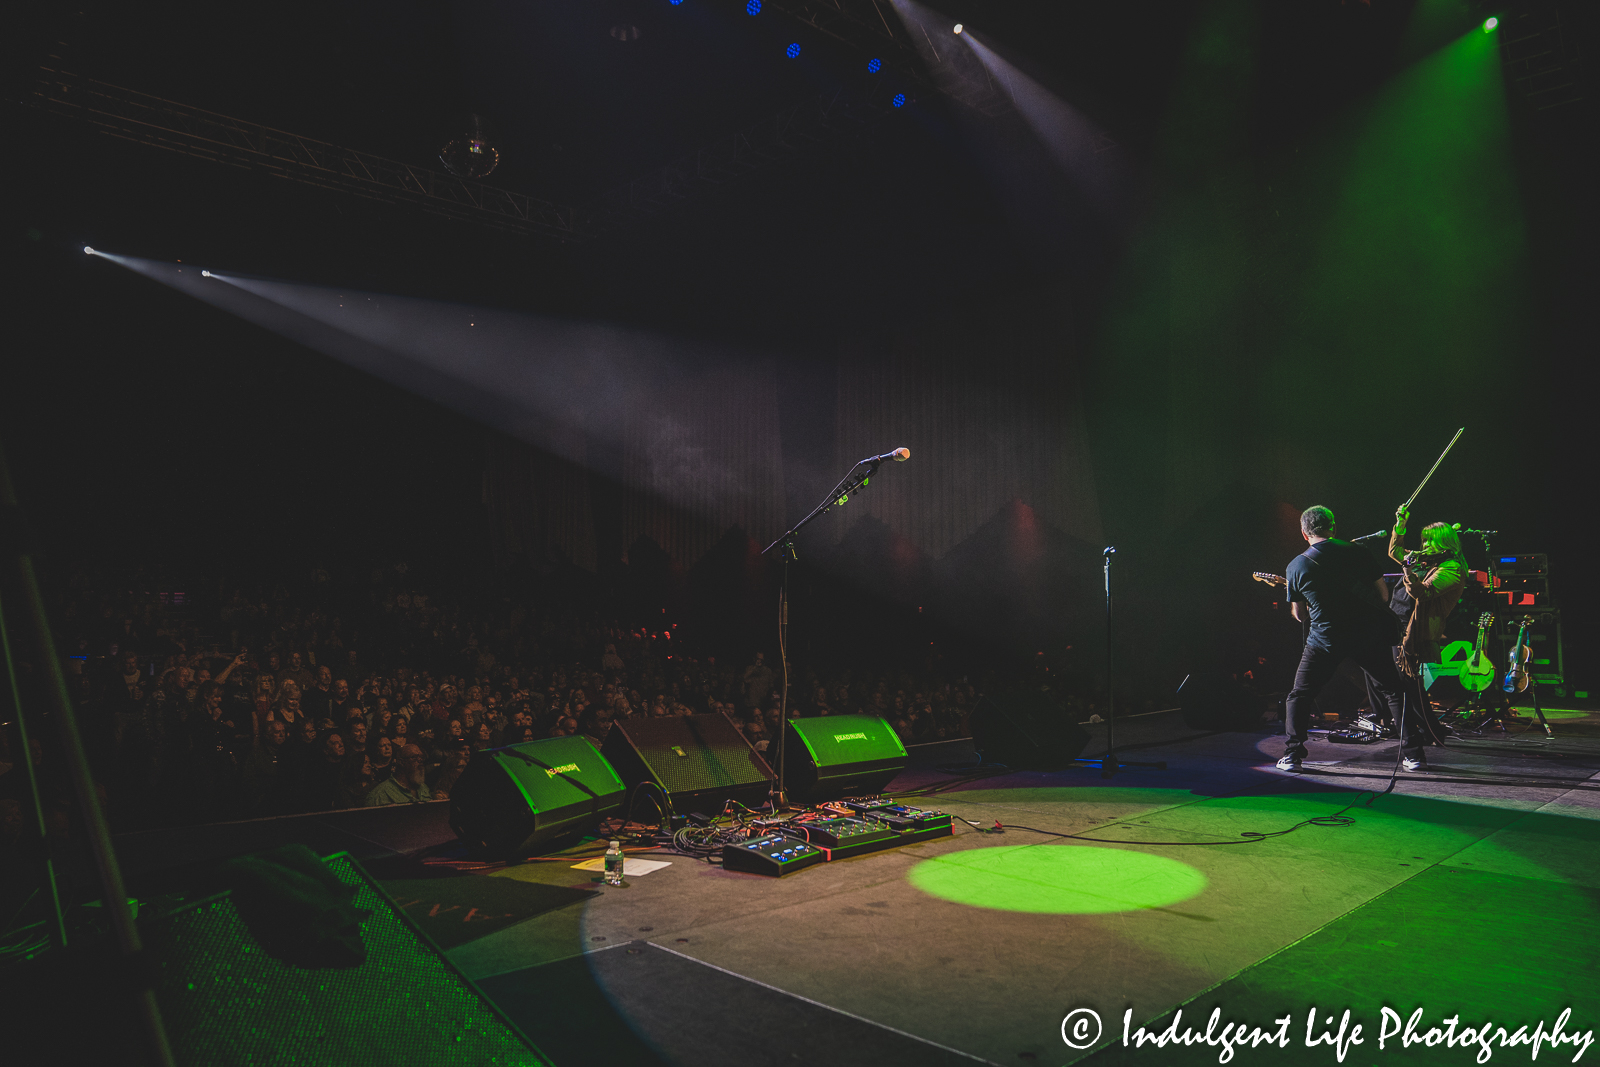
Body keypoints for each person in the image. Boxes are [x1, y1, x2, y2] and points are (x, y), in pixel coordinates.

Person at [1279, 505, 1428, 772]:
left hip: (1325, 639)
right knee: (1394, 691)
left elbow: (1301, 616)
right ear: (1333, 526)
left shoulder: (1297, 565)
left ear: (1304, 533)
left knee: (1300, 695)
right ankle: (1414, 755)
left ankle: (1293, 756)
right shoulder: (1359, 553)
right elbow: (1383, 597)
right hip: (1367, 636)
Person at [1388, 507, 1469, 676]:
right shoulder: (1425, 559)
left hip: (1413, 629)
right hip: (1396, 621)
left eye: (1430, 540)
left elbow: (1423, 594)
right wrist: (1400, 524)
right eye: (1424, 540)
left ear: (1444, 541)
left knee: (1408, 683)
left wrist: (1408, 572)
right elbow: (1395, 552)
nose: (1425, 545)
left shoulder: (1452, 568)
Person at [365, 744, 432, 805]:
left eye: (421, 757)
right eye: (414, 757)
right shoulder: (380, 795)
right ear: (401, 762)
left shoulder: (423, 788)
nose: (420, 761)